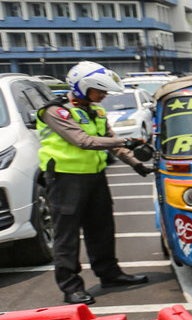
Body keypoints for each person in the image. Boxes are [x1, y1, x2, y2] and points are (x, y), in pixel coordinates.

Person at [37, 60, 152, 305]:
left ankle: (110, 274)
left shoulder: (96, 111)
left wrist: (138, 165)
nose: (103, 95)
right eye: (99, 90)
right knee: (66, 236)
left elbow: (112, 140)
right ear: (81, 87)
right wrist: (126, 142)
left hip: (95, 177)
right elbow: (83, 141)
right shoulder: (55, 112)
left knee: (102, 228)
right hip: (65, 180)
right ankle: (71, 287)